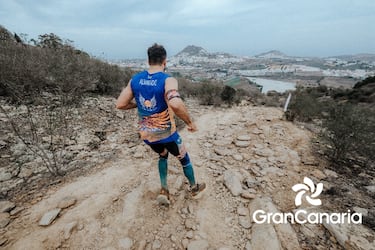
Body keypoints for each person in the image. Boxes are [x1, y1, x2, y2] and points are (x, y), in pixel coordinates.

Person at [116, 43, 206, 205]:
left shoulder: (135, 80)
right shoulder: (167, 80)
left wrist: (139, 104)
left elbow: (120, 104)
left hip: (147, 135)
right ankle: (194, 189)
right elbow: (176, 104)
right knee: (184, 159)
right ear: (164, 62)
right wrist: (190, 122)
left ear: (148, 60)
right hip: (167, 134)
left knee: (163, 155)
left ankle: (164, 189)